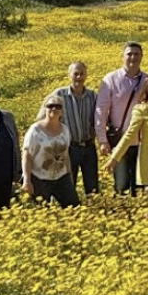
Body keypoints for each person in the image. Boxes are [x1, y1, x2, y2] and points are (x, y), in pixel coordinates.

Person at [96, 42, 148, 194]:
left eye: (136, 54)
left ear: (142, 57)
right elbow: (101, 110)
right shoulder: (110, 80)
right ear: (122, 57)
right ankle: (124, 215)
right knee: (122, 185)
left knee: (141, 186)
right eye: (129, 54)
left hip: (144, 142)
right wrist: (102, 140)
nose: (133, 57)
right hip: (121, 141)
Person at [53, 61, 100, 196]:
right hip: (69, 148)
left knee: (92, 188)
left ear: (86, 75)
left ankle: (93, 212)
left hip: (89, 147)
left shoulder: (93, 96)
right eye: (75, 74)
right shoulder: (59, 95)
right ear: (69, 75)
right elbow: (44, 117)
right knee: (67, 186)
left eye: (81, 74)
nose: (79, 77)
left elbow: (100, 118)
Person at [23, 95, 78, 207]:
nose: (54, 109)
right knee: (42, 212)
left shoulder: (65, 130)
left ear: (62, 111)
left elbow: (66, 155)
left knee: (74, 207)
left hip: (61, 178)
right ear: (45, 109)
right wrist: (27, 181)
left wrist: (69, 175)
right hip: (40, 179)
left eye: (58, 106)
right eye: (50, 106)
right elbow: (27, 156)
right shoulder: (35, 130)